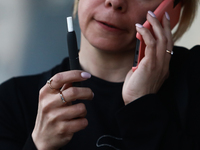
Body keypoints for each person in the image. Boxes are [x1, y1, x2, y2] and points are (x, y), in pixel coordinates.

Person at [0, 0, 200, 149]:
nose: (115, 2)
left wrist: (142, 106)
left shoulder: (193, 79)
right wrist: (38, 145)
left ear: (173, 9)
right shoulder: (12, 100)